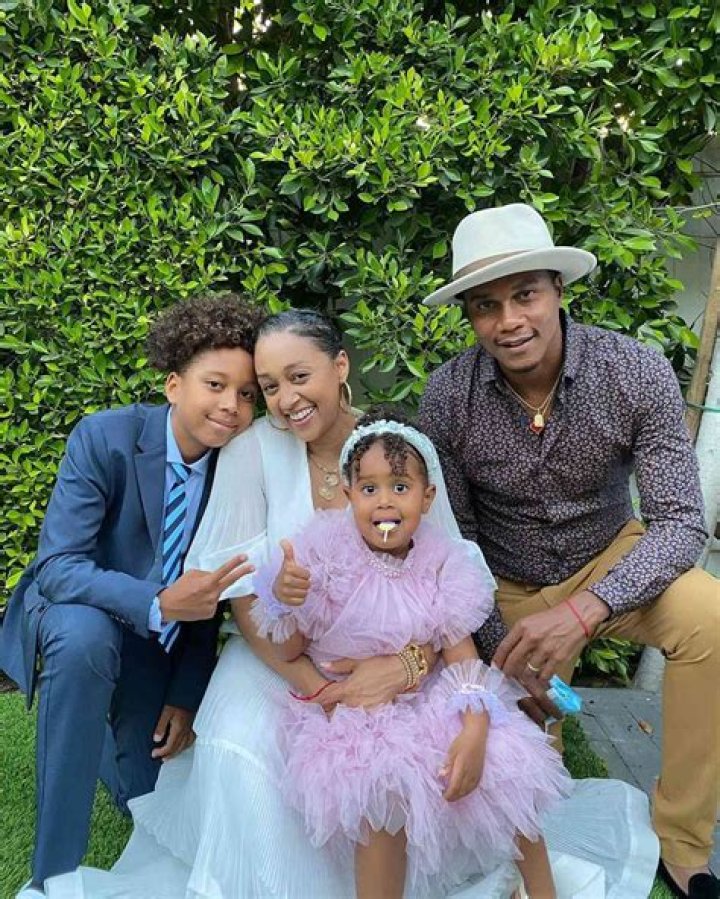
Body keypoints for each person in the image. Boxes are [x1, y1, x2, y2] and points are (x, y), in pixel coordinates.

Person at [42, 308, 658, 899]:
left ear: (340, 366)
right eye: (270, 387)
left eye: (299, 376)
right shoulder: (252, 448)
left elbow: (442, 578)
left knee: (435, 761)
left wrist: (407, 666)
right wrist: (317, 687)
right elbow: (244, 597)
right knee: (239, 745)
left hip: (400, 651)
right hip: (282, 657)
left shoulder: (398, 450)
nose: (286, 399)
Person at [419, 202, 720, 899]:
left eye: (525, 294)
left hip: (611, 560)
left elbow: (681, 520)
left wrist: (586, 610)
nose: (510, 320)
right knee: (521, 769)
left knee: (711, 617)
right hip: (505, 581)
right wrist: (500, 649)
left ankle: (682, 839)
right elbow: (455, 543)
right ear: (469, 315)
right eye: (486, 305)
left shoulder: (633, 370)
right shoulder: (447, 396)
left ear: (558, 288)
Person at [0, 294, 262, 898]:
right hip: (80, 616)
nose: (231, 404)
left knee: (146, 801)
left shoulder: (237, 468)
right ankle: (53, 876)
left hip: (156, 641)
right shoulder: (104, 437)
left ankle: (93, 726)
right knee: (84, 641)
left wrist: (185, 696)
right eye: (216, 384)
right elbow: (58, 566)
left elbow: (211, 593)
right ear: (174, 385)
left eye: (247, 394)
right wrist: (159, 601)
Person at [251, 410, 569, 899]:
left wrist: (475, 728)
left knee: (508, 760)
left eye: (400, 487)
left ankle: (543, 892)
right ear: (348, 495)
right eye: (369, 488)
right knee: (384, 789)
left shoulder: (442, 562)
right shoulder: (323, 553)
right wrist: (287, 600)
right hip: (358, 716)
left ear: (427, 496)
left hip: (431, 697)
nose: (385, 501)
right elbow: (293, 648)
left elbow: (462, 657)